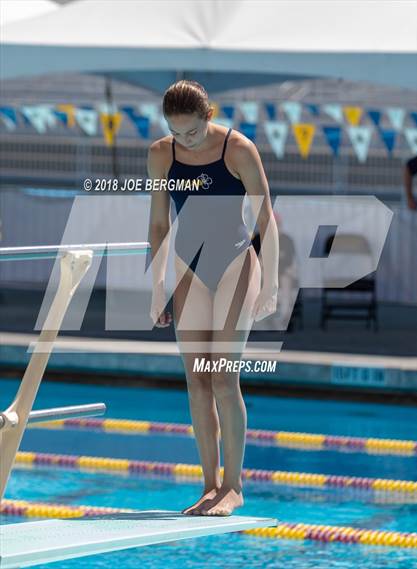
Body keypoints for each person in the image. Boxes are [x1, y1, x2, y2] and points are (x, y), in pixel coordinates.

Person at [147, 80, 279, 516]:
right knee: (197, 379)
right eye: (176, 132)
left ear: (209, 116)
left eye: (192, 132)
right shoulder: (161, 154)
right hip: (190, 268)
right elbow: (158, 225)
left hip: (236, 265)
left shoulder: (238, 149)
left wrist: (272, 283)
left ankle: (234, 485)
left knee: (222, 376)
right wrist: (157, 286)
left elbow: (266, 220)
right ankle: (208, 484)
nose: (184, 141)